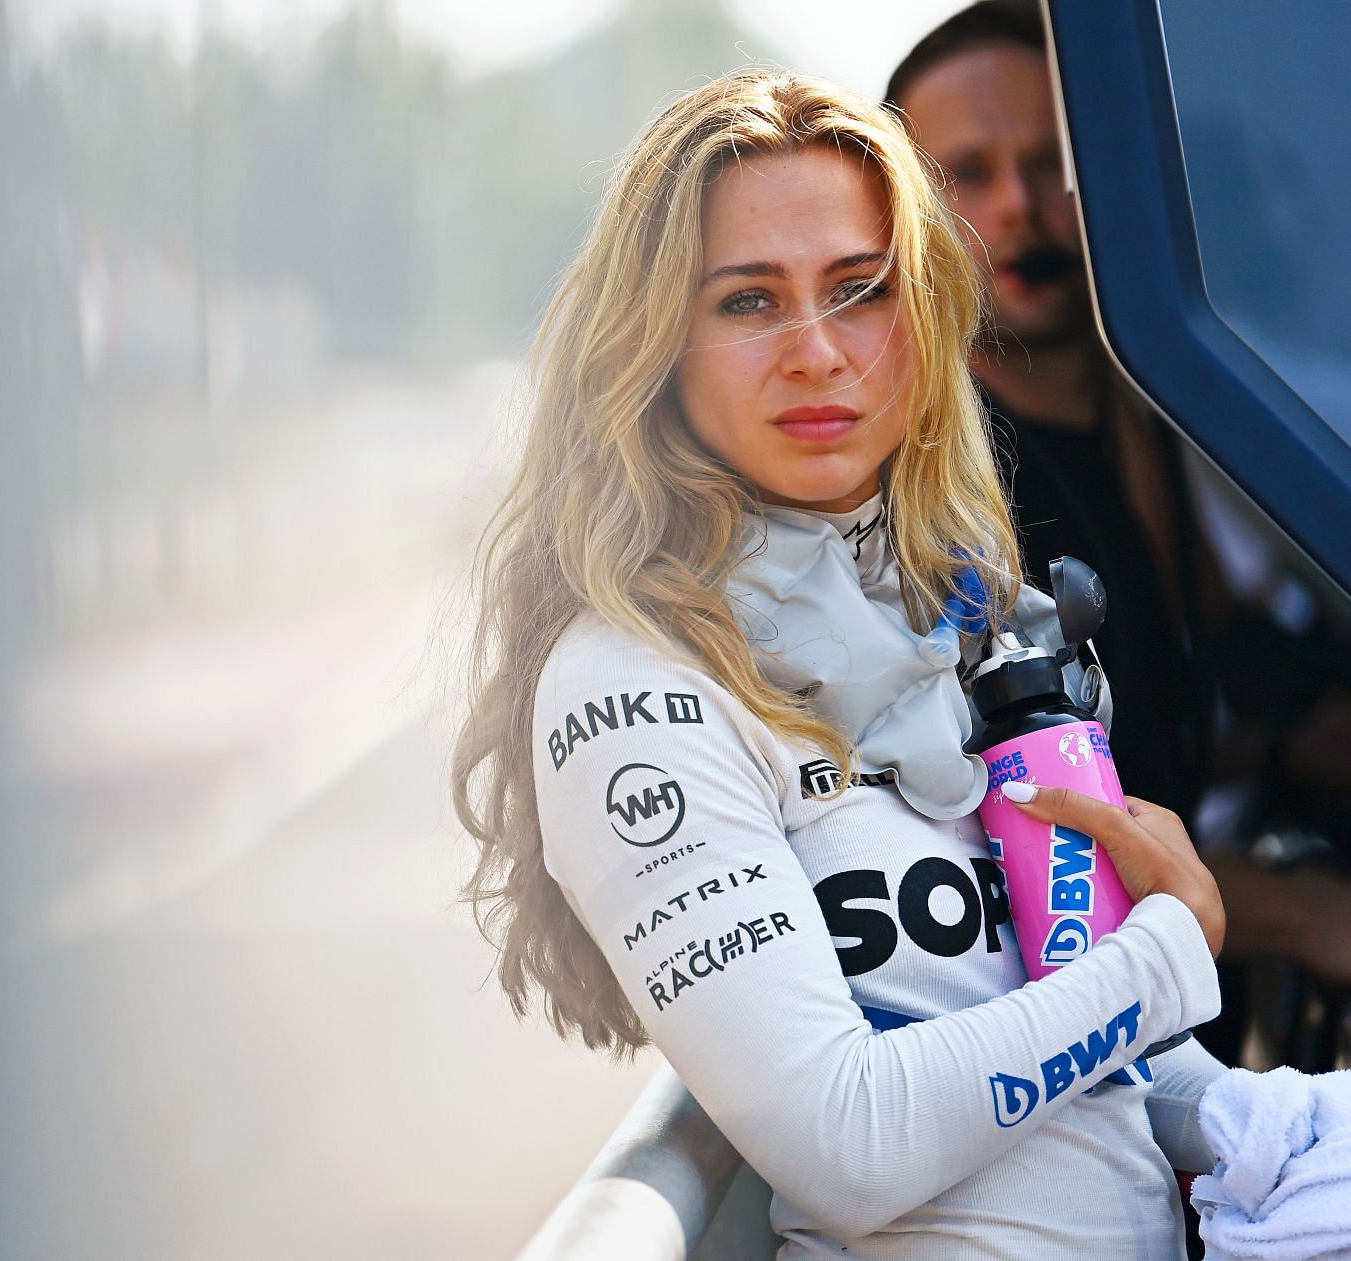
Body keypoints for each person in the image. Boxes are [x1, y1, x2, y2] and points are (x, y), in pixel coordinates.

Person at [453, 69, 1228, 1257]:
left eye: (860, 290)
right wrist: (1169, 952)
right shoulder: (630, 683)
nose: (818, 352)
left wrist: (1261, 1120)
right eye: (749, 302)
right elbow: (848, 1146)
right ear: (658, 347)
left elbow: (1086, 1076)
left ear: (918, 319)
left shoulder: (970, 615)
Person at [887, 0, 1351, 1042]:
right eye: (968, 173)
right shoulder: (927, 491)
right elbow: (1043, 820)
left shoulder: (1180, 388)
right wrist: (1315, 917)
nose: (1017, 208)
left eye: (1051, 163)